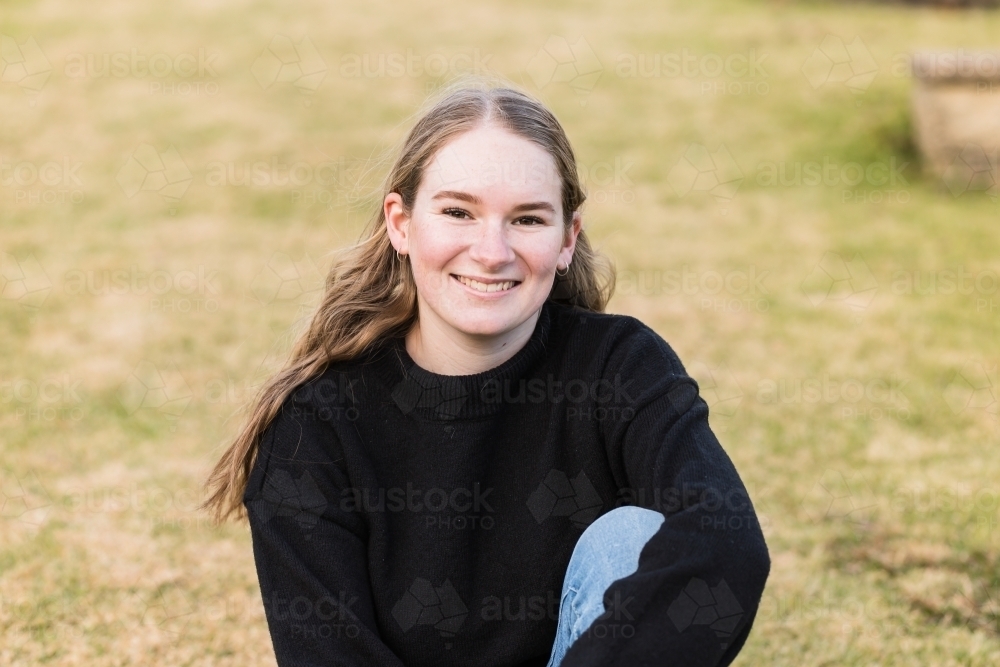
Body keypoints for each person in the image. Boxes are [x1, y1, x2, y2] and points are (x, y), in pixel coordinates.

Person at [201, 81, 770, 667]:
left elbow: (725, 543)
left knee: (629, 542)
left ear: (567, 238)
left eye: (526, 219)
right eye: (457, 212)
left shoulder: (617, 367)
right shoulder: (314, 426)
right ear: (401, 222)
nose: (492, 251)